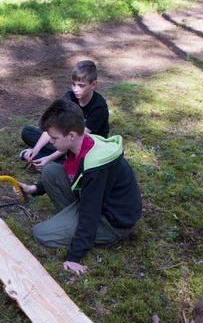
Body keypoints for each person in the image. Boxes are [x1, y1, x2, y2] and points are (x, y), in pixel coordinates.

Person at [16, 99, 141, 275]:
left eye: (54, 138)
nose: (50, 142)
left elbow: (91, 213)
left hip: (113, 221)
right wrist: (34, 189)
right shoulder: (82, 143)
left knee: (41, 233)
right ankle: (69, 222)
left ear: (72, 135)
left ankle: (76, 229)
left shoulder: (96, 168)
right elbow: (71, 175)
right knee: (51, 170)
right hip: (95, 203)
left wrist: (73, 256)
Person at [20, 60, 109, 171]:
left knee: (76, 155)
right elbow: (54, 125)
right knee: (28, 132)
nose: (75, 89)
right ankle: (44, 156)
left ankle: (57, 161)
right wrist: (36, 149)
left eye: (81, 86)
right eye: (73, 84)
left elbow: (77, 139)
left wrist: (49, 158)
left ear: (93, 85)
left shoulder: (99, 107)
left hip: (86, 146)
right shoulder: (69, 97)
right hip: (65, 139)